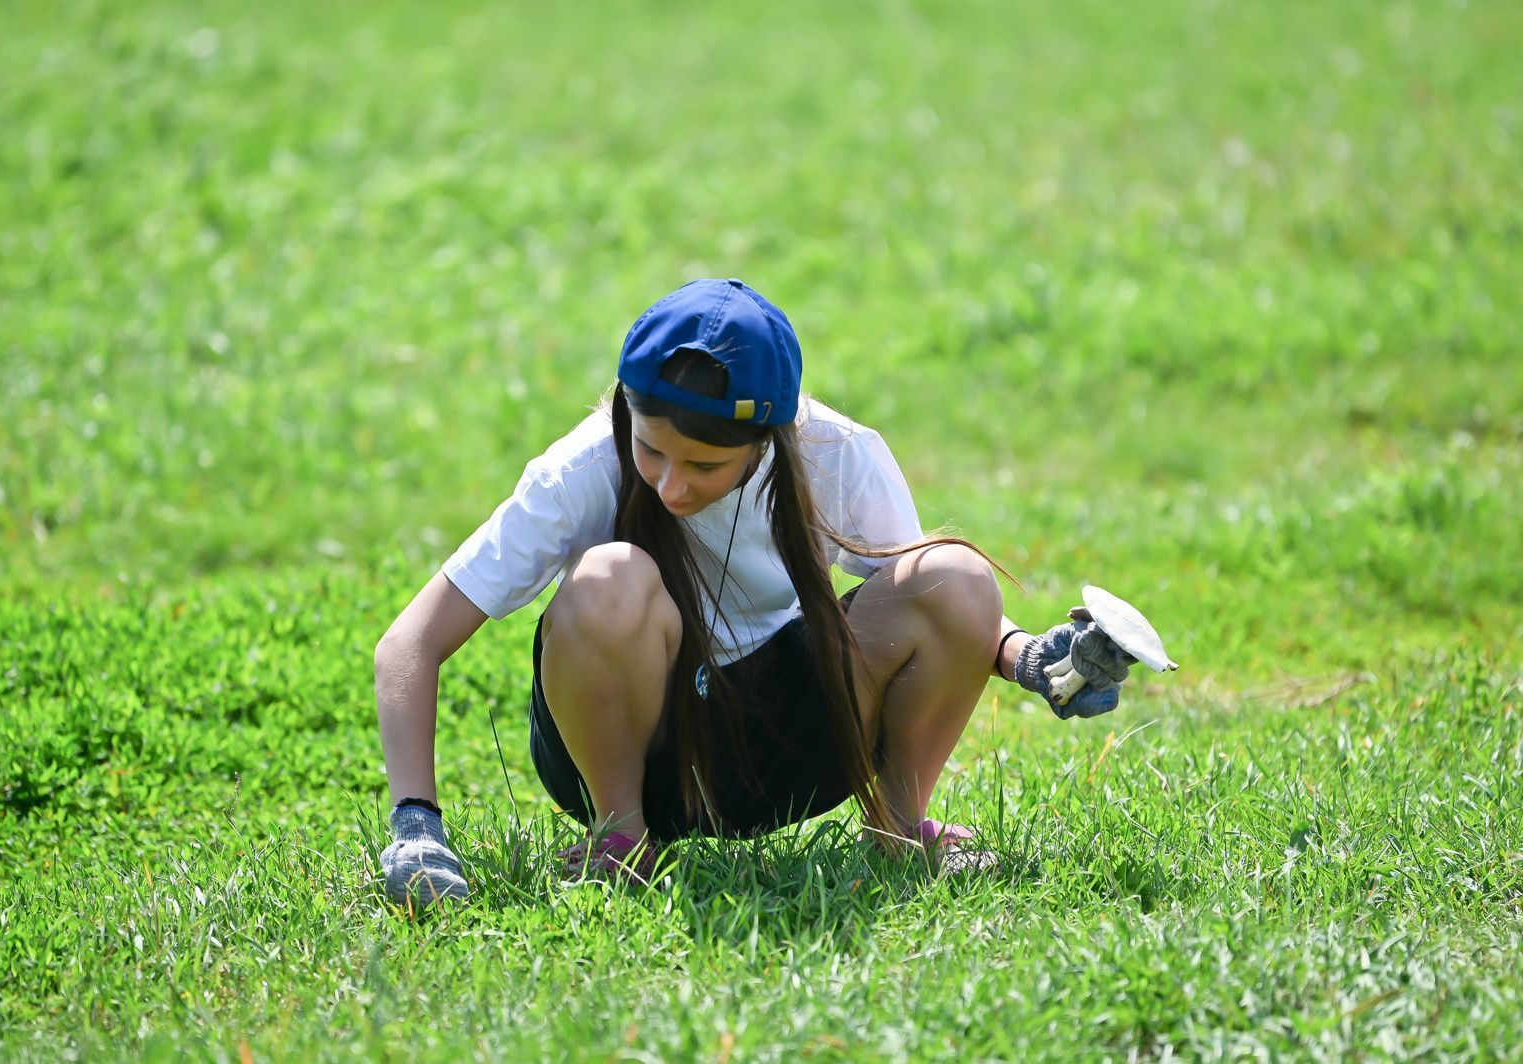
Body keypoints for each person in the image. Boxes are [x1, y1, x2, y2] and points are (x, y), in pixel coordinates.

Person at [375, 278, 1137, 906]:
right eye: (650, 450)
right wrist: (417, 822)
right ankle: (621, 841)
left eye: (704, 467)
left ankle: (900, 833)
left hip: (791, 750)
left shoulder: (834, 454)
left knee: (958, 570)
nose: (672, 485)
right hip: (642, 756)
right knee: (611, 577)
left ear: (769, 438)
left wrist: (1029, 657)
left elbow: (930, 605)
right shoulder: (576, 472)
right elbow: (412, 642)